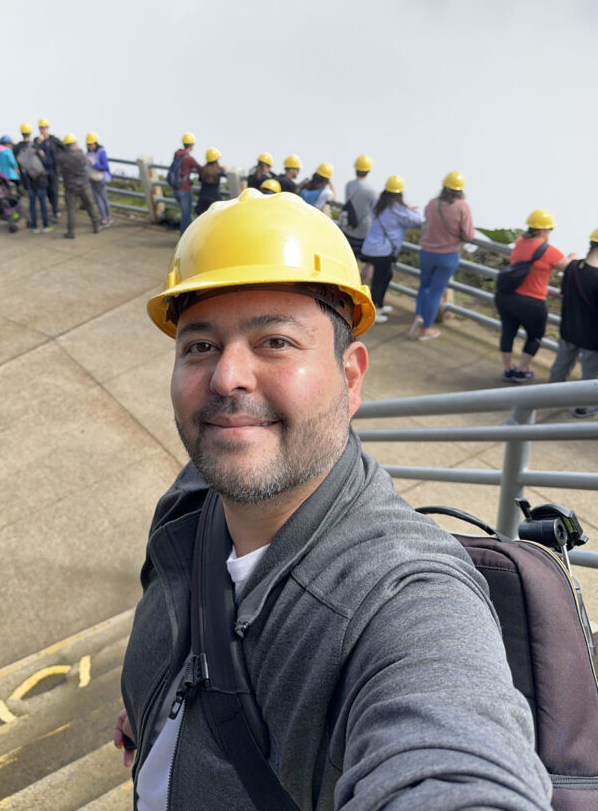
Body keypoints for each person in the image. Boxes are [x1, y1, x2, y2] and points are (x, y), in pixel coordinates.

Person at [113, 189, 552, 811]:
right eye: (199, 345)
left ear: (350, 378)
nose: (226, 376)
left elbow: (451, 754)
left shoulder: (401, 595)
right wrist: (153, 708)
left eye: (276, 342)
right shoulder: (196, 493)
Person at [495, 209, 576, 383]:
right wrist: (572, 257)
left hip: (508, 298)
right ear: (542, 231)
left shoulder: (519, 242)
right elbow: (570, 268)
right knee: (535, 336)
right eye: (549, 230)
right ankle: (522, 371)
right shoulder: (548, 251)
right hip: (532, 302)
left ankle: (508, 370)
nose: (550, 233)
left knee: (508, 332)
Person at [409, 171, 474, 342]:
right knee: (436, 292)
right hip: (448, 255)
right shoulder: (462, 207)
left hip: (427, 253)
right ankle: (426, 329)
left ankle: (419, 316)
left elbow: (427, 221)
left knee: (424, 287)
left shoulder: (432, 204)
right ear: (460, 190)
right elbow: (468, 235)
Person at [548, 227, 598, 416]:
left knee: (560, 366)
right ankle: (583, 408)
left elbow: (564, 293)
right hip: (592, 337)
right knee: (590, 374)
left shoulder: (573, 268)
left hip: (569, 328)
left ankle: (548, 397)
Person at [361, 175, 422, 322]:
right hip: (383, 251)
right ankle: (373, 313)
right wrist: (411, 210)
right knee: (379, 280)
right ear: (400, 193)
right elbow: (417, 221)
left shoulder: (378, 203)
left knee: (386, 276)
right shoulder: (398, 209)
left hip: (370, 247)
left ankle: (379, 306)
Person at [340, 155, 376, 285]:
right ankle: (359, 285)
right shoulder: (371, 191)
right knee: (369, 263)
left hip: (348, 228)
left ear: (356, 168)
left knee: (349, 259)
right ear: (369, 170)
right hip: (363, 232)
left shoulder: (349, 185)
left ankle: (346, 283)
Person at [58, 134, 101, 238]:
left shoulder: (62, 157)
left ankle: (71, 232)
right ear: (74, 145)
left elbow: (59, 170)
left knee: (71, 210)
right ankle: (96, 226)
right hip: (84, 185)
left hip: (70, 187)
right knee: (91, 206)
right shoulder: (81, 154)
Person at [17, 137, 51, 233]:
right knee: (43, 204)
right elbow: (45, 164)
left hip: (31, 183)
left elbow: (23, 171)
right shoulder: (37, 152)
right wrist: (43, 156)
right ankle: (45, 225)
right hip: (41, 182)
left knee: (32, 205)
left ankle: (34, 226)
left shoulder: (23, 155)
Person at [171, 133, 201, 234]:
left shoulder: (177, 155)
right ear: (192, 145)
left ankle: (195, 233)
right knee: (186, 215)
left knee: (186, 215)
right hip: (185, 190)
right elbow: (200, 169)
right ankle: (184, 238)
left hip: (175, 189)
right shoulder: (189, 159)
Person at [36, 118, 62, 221]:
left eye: (45, 128)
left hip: (53, 171)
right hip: (42, 172)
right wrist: (38, 143)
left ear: (48, 128)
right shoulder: (37, 140)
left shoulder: (54, 140)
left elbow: (63, 147)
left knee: (54, 191)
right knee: (47, 192)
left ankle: (55, 211)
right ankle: (50, 209)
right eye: (41, 128)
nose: (43, 130)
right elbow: (32, 151)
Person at [85, 132, 112, 226]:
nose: (90, 146)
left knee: (103, 198)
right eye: (88, 145)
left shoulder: (101, 152)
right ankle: (103, 217)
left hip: (100, 179)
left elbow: (105, 167)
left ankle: (107, 218)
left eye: (91, 144)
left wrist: (94, 164)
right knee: (97, 199)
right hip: (92, 179)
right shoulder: (88, 152)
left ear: (95, 143)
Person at [195, 147, 226, 215]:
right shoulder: (218, 171)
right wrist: (223, 169)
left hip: (203, 198)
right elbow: (222, 172)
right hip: (214, 198)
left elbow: (200, 178)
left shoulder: (202, 170)